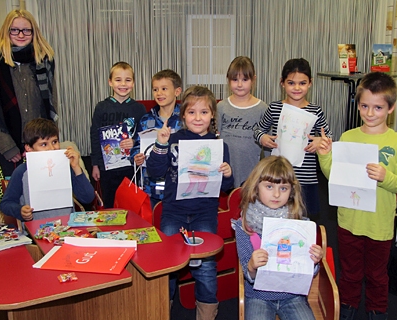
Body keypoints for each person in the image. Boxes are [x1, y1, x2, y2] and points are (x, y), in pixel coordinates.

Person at [317, 72, 397, 320]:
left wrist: (385, 176)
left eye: (378, 107)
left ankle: (377, 310)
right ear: (358, 105)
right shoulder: (349, 137)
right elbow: (333, 175)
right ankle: (348, 305)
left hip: (379, 224)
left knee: (377, 275)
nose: (370, 113)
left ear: (390, 108)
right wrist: (325, 154)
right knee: (349, 272)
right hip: (349, 220)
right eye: (364, 106)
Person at [146, 85, 234, 319]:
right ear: (183, 114)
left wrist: (227, 173)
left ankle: (206, 312)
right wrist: (161, 145)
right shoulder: (173, 139)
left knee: (206, 266)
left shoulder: (219, 146)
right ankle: (162, 308)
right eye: (192, 112)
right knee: (168, 264)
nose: (198, 118)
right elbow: (154, 172)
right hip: (173, 212)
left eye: (204, 112)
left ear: (212, 115)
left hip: (204, 213)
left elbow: (225, 187)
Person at [232, 155, 323, 320]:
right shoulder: (245, 226)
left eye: (283, 188)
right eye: (269, 186)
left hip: (292, 296)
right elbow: (246, 271)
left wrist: (314, 261)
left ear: (291, 191)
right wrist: (252, 266)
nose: (276, 194)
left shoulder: (299, 224)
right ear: (256, 187)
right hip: (258, 295)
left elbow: (306, 268)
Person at [0, 9, 57, 178]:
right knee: (17, 196)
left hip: (39, 143)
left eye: (26, 30)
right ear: (7, 31)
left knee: (43, 189)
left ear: (33, 32)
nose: (21, 34)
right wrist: (8, 148)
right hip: (8, 146)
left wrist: (45, 144)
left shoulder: (45, 61)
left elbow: (50, 105)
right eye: (15, 30)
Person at [254, 58, 332, 217]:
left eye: (302, 83)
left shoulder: (315, 111)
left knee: (305, 220)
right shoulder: (275, 107)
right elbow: (258, 129)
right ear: (282, 83)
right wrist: (262, 138)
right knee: (277, 218)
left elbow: (329, 137)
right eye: (291, 83)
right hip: (279, 179)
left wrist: (320, 141)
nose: (297, 88)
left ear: (310, 83)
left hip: (306, 179)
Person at [0, 118, 94, 221]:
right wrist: (20, 210)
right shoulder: (22, 171)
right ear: (29, 148)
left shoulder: (66, 167)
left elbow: (88, 197)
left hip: (67, 227)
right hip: (36, 230)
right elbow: (6, 204)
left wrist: (76, 167)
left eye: (54, 142)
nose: (52, 148)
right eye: (44, 144)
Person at [90, 62, 146, 208]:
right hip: (107, 168)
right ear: (110, 82)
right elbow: (94, 136)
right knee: (109, 205)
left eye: (128, 80)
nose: (123, 84)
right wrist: (95, 164)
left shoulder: (139, 109)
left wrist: (134, 141)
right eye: (118, 79)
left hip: (130, 166)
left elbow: (144, 136)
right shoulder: (101, 107)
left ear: (133, 83)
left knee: (130, 205)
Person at [131, 69, 183, 208]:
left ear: (177, 91)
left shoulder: (186, 119)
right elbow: (136, 147)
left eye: (164, 88)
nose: (159, 93)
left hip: (178, 188)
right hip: (150, 188)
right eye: (155, 89)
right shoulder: (145, 120)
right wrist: (136, 157)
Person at [217, 56, 268, 187]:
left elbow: (268, 145)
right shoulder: (221, 106)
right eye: (235, 79)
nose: (239, 84)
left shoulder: (263, 108)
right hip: (224, 170)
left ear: (253, 80)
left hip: (251, 172)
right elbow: (215, 138)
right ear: (228, 80)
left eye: (245, 79)